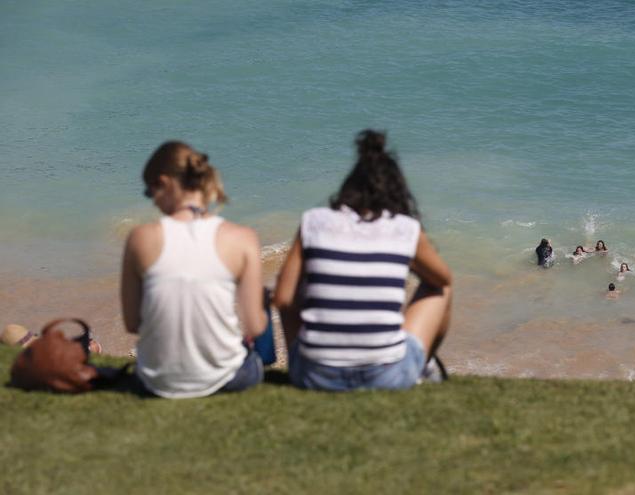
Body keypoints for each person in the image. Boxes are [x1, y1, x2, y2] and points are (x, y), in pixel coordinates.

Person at [274, 130, 452, 392]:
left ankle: (307, 359)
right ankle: (422, 366)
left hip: (313, 377)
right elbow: (443, 278)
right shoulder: (405, 228)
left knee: (292, 289)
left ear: (348, 187)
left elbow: (282, 299)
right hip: (387, 378)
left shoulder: (314, 221)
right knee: (441, 288)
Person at [121, 141, 268, 399]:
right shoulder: (243, 238)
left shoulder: (140, 238)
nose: (153, 202)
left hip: (156, 380)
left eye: (149, 192)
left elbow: (133, 323)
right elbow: (254, 327)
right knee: (260, 305)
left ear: (165, 184)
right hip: (226, 379)